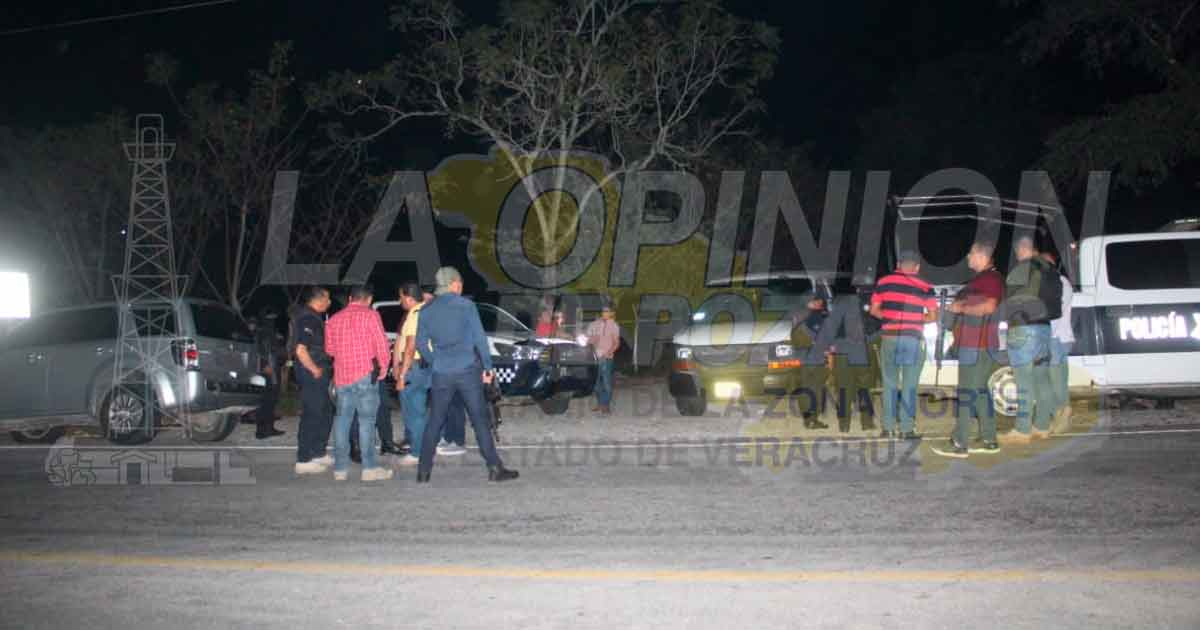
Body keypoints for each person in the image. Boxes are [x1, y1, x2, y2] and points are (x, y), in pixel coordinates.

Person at [415, 267, 518, 483]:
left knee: (434, 421)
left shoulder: (426, 310)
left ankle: (423, 472)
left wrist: (436, 362)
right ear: (453, 284)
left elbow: (421, 344)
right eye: (460, 283)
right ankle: (494, 468)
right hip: (467, 371)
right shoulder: (466, 306)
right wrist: (488, 369)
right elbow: (480, 339)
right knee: (479, 420)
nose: (461, 286)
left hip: (441, 373)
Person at [933, 241, 1004, 458]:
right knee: (980, 393)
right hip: (977, 344)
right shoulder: (982, 279)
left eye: (971, 254)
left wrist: (959, 307)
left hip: (977, 345)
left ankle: (959, 443)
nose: (968, 257)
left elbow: (989, 306)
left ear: (982, 256)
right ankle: (989, 440)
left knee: (967, 393)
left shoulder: (990, 279)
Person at [325, 284, 394, 482]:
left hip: (342, 377)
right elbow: (381, 345)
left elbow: (330, 350)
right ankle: (369, 468)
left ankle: (340, 468)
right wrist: (383, 368)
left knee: (342, 420)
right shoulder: (371, 315)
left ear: (350, 299)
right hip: (365, 374)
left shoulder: (334, 319)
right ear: (369, 299)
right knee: (367, 421)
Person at [870, 250, 938, 440]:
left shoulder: (883, 282)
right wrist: (914, 320)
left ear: (898, 265)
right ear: (917, 267)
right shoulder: (925, 285)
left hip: (890, 338)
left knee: (889, 383)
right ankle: (907, 429)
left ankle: (888, 428)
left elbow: (874, 311)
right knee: (909, 385)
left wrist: (892, 319)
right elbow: (933, 316)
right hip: (912, 340)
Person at [1000, 235, 1056, 443]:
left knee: (1023, 380)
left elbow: (1011, 300)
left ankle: (1022, 430)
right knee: (1042, 378)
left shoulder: (1023, 269)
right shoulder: (1050, 270)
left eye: (1017, 252)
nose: (1016, 256)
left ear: (1022, 249)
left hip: (1023, 328)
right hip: (1044, 327)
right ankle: (1042, 426)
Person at [291, 286, 334, 475]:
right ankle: (303, 459)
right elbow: (300, 349)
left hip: (320, 371)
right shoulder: (307, 318)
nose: (330, 302)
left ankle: (318, 452)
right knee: (312, 413)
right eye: (327, 298)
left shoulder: (315, 317)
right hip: (312, 371)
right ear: (319, 299)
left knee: (325, 411)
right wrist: (313, 368)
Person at [394, 282, 428, 467]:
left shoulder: (415, 314)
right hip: (421, 368)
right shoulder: (426, 311)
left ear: (408, 298)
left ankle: (417, 452)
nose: (400, 301)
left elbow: (410, 347)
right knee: (418, 411)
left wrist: (401, 375)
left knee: (414, 413)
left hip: (413, 368)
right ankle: (420, 448)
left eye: (401, 297)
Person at [1042, 249, 1074, 435]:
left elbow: (1055, 314)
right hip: (1057, 338)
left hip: (1056, 338)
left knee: (1054, 381)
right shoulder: (1058, 282)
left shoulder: (1059, 282)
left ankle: (1062, 414)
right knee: (1054, 380)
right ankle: (1059, 417)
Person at [789, 295, 831, 429]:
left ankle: (808, 420)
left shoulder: (797, 314)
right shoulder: (817, 316)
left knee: (805, 390)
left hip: (801, 359)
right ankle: (813, 419)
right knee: (816, 389)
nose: (820, 305)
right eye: (819, 302)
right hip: (815, 359)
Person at [249, 313, 285, 439]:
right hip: (266, 369)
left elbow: (276, 350)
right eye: (270, 318)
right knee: (265, 400)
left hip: (273, 367)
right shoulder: (262, 332)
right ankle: (261, 430)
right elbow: (259, 350)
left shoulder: (271, 332)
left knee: (272, 399)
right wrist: (265, 365)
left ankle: (269, 428)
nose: (272, 320)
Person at [586, 300, 621, 415]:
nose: (604, 313)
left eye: (607, 311)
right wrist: (591, 340)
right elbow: (591, 339)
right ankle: (601, 403)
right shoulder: (596, 324)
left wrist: (609, 353)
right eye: (603, 311)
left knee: (606, 383)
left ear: (611, 313)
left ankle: (605, 405)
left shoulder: (614, 326)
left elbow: (616, 343)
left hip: (607, 357)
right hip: (595, 357)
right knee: (595, 383)